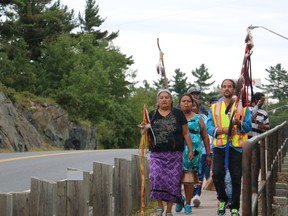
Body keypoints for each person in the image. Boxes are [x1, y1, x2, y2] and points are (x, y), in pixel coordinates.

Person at [206, 79, 252, 216]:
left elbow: (248, 127)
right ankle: (223, 198)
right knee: (217, 174)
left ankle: (235, 208)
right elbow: (209, 127)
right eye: (224, 86)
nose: (227, 89)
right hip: (220, 145)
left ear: (234, 89)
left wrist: (239, 122)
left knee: (236, 177)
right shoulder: (214, 108)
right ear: (221, 89)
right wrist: (221, 130)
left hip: (236, 146)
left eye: (229, 86)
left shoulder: (243, 107)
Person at [148, 89, 194, 216]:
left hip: (174, 155)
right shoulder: (151, 115)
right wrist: (143, 129)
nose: (164, 99)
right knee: (155, 177)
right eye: (161, 97)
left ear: (171, 100)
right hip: (157, 154)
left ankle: (168, 210)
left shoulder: (178, 114)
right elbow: (146, 133)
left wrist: (190, 149)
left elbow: (185, 132)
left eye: (166, 97)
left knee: (173, 182)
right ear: (158, 100)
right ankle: (159, 206)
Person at [175, 93, 211, 214]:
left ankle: (188, 203)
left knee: (188, 178)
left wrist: (208, 154)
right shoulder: (175, 117)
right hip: (177, 151)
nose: (186, 103)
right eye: (183, 101)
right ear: (179, 103)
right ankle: (179, 198)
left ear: (193, 104)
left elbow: (205, 136)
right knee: (175, 177)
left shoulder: (198, 118)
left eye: (189, 101)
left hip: (193, 152)